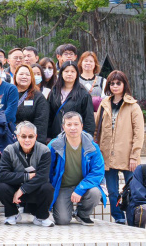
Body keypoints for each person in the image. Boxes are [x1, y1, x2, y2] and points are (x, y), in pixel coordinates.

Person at [94, 71, 143, 224]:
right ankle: (118, 218)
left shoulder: (133, 106)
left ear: (124, 84)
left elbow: (139, 133)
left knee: (133, 190)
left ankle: (132, 216)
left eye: (118, 83)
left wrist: (135, 156)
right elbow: (97, 130)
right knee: (113, 191)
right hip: (107, 154)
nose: (115, 86)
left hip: (127, 155)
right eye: (112, 83)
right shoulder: (104, 104)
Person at [49, 111, 105, 226]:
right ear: (63, 127)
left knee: (95, 192)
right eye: (69, 125)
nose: (72, 128)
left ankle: (82, 214)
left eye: (76, 124)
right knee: (62, 220)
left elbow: (97, 172)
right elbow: (47, 170)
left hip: (84, 186)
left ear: (82, 126)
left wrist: (80, 189)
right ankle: (64, 210)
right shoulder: (54, 145)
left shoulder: (92, 146)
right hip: (62, 187)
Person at [0, 121, 55, 226]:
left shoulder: (44, 150)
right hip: (14, 190)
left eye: (30, 136)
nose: (27, 140)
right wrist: (26, 176)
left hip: (34, 189)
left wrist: (22, 190)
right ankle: (12, 214)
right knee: (2, 187)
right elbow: (2, 175)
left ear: (36, 136)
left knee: (48, 188)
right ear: (17, 136)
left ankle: (41, 217)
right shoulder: (9, 150)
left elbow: (42, 177)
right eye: (23, 136)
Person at [48, 61, 95, 140]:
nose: (69, 74)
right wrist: (48, 136)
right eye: (66, 71)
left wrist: (87, 138)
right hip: (56, 136)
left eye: (72, 71)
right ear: (61, 73)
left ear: (77, 74)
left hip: (76, 137)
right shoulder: (54, 91)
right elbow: (49, 115)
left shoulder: (83, 94)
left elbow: (89, 119)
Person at [14, 64, 49, 143]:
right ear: (15, 76)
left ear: (32, 78)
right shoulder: (9, 93)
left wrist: (37, 145)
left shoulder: (38, 97)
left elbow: (41, 124)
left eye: (27, 74)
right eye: (21, 74)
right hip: (10, 139)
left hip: (29, 141)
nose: (24, 77)